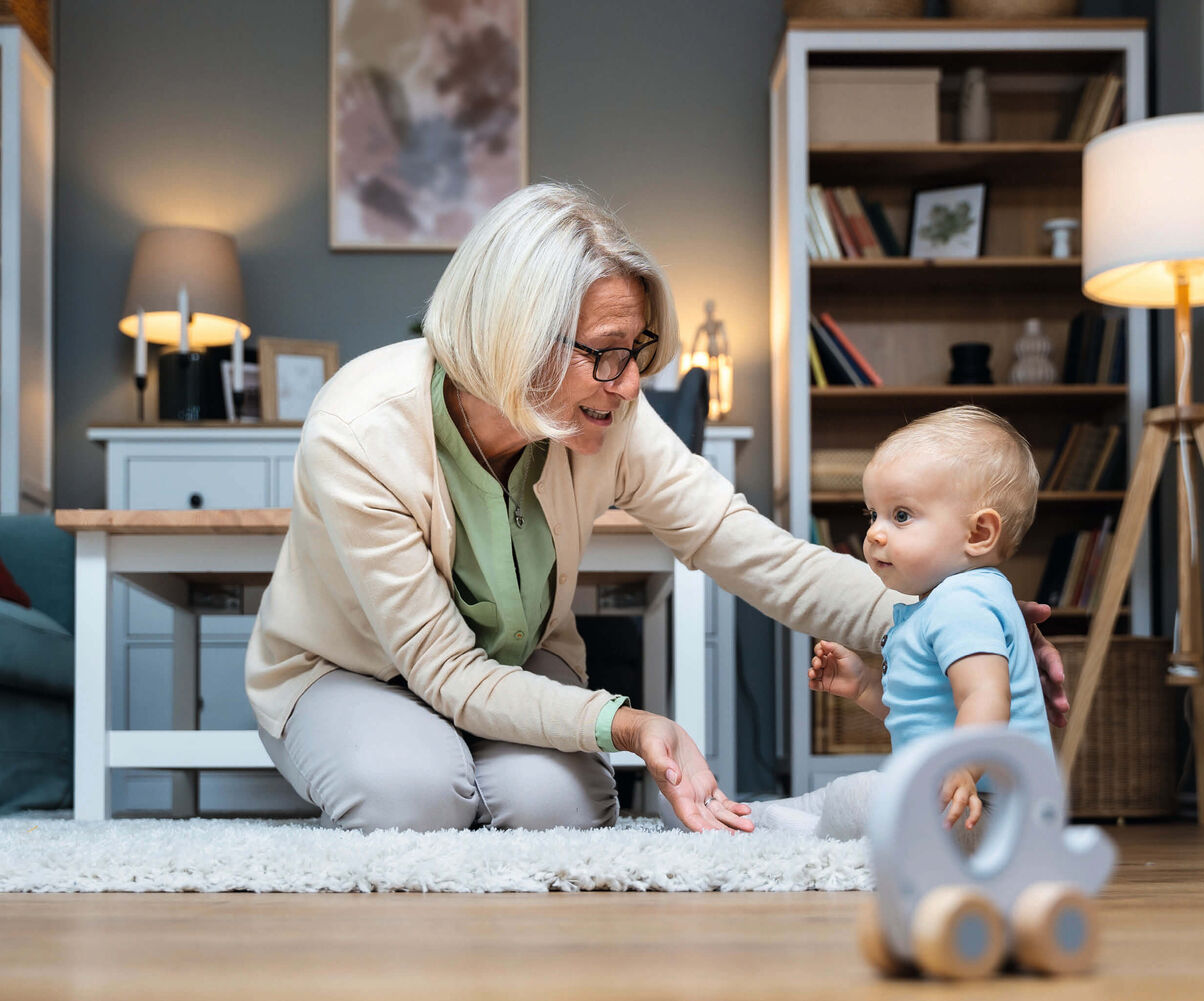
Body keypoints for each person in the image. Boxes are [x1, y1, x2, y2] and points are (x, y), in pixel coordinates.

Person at [245, 182, 1069, 835]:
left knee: (558, 814)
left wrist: (954, 617)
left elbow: (745, 545)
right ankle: (419, 764)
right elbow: (446, 671)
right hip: (349, 675)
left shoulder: (609, 413)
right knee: (414, 796)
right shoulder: (358, 431)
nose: (632, 382)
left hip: (517, 668)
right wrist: (630, 724)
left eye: (635, 350)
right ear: (512, 337)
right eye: (606, 354)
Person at [748, 406, 1054, 843]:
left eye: (902, 516)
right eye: (873, 514)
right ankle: (748, 819)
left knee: (859, 794)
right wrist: (864, 686)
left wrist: (963, 767)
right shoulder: (933, 607)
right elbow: (922, 713)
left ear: (978, 534)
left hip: (991, 812)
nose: (875, 533)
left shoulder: (964, 602)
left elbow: (986, 696)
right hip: (962, 804)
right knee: (843, 796)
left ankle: (774, 829)